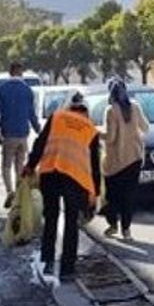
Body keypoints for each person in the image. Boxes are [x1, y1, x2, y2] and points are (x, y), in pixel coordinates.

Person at [24, 91, 100, 281]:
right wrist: (95, 193)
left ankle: (48, 259)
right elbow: (94, 165)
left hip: (51, 172)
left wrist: (30, 166)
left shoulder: (56, 118)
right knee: (71, 222)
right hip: (75, 178)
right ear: (86, 112)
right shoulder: (90, 129)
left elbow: (40, 143)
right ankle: (67, 268)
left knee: (51, 217)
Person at [0, 61, 42, 195]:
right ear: (21, 72)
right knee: (20, 165)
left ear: (10, 72)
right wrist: (39, 130)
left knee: (6, 165)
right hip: (23, 134)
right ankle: (19, 191)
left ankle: (10, 191)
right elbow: (31, 114)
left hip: (9, 134)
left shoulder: (2, 89)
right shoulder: (28, 90)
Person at [102, 78, 149, 240]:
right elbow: (146, 128)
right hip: (135, 158)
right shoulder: (135, 107)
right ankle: (126, 230)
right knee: (129, 196)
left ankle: (113, 224)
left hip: (116, 161)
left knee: (113, 195)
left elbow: (111, 137)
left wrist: (96, 134)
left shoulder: (111, 110)